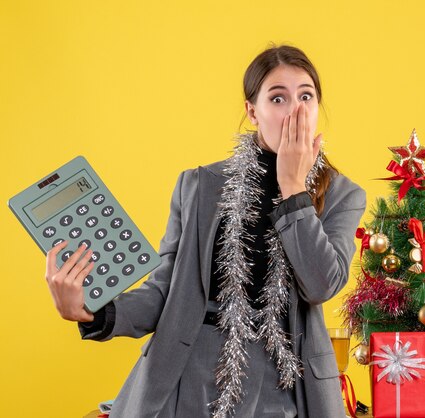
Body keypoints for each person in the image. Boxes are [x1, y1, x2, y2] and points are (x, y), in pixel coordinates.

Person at [44, 44, 367, 418]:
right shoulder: (199, 185)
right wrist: (91, 311)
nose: (294, 110)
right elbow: (165, 291)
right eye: (277, 98)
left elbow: (322, 284)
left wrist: (294, 189)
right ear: (252, 111)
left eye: (305, 96)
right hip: (191, 375)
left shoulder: (343, 195)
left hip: (285, 383)